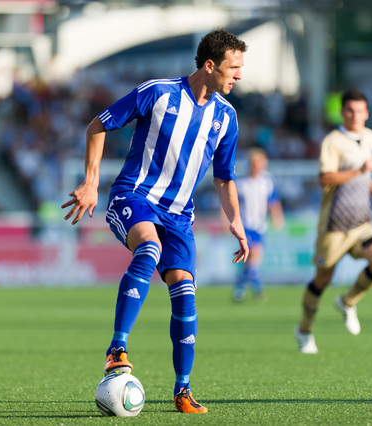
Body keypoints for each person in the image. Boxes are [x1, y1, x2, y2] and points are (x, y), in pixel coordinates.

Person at [61, 29, 249, 413]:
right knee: (149, 248)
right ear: (210, 66)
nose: (239, 76)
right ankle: (117, 349)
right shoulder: (159, 93)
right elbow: (97, 125)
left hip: (180, 215)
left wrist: (237, 221)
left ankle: (183, 390)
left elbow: (224, 176)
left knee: (185, 292)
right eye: (234, 67)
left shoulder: (226, 118)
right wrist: (92, 183)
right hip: (134, 196)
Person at [294, 89, 372, 354]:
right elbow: (325, 178)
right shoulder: (332, 141)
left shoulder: (370, 137)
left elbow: (363, 172)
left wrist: (371, 186)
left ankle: (348, 302)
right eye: (350, 110)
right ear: (342, 112)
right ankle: (304, 331)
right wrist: (359, 171)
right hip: (334, 225)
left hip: (362, 221)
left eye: (360, 111)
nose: (355, 116)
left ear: (367, 113)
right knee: (322, 279)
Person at [232, 147, 284, 302]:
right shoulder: (241, 182)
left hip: (260, 226)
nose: (258, 165)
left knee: (250, 261)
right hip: (245, 226)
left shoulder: (267, 181)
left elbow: (273, 201)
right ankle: (258, 291)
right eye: (255, 162)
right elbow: (231, 202)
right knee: (253, 257)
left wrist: (277, 217)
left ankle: (239, 290)